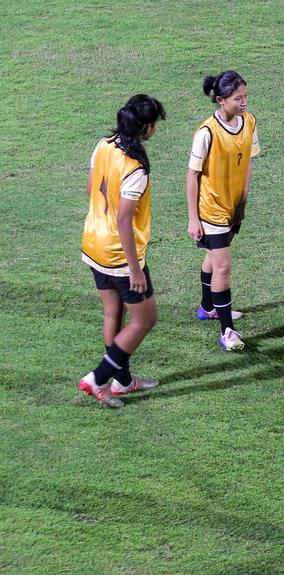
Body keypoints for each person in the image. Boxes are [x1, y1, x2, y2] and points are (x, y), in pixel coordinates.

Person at [78, 94, 165, 408]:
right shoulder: (135, 169)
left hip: (93, 244)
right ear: (146, 128)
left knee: (113, 313)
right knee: (144, 319)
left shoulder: (103, 145)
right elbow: (125, 220)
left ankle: (123, 381)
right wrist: (135, 269)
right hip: (119, 255)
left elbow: (90, 189)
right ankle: (97, 378)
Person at [187, 70, 259, 351]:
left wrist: (243, 201)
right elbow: (192, 176)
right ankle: (227, 331)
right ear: (220, 100)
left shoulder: (249, 122)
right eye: (237, 98)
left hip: (233, 207)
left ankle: (207, 307)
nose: (244, 102)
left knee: (214, 258)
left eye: (245, 96)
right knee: (223, 266)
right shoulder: (207, 132)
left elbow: (248, 161)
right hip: (211, 210)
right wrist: (194, 219)